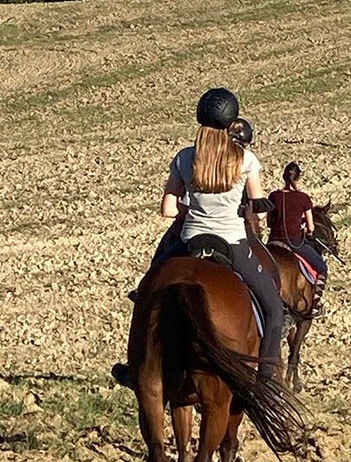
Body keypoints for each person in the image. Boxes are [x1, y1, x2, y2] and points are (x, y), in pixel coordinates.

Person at [130, 88, 283, 379]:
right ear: (232, 123)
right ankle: (266, 380)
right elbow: (259, 210)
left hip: (189, 241)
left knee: (146, 295)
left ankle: (135, 368)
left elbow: (168, 210)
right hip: (233, 243)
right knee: (274, 308)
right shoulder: (246, 159)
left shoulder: (184, 158)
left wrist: (193, 210)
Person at [267, 162, 328, 316]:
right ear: (298, 177)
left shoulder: (273, 196)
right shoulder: (303, 198)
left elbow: (269, 222)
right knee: (322, 267)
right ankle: (315, 304)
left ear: (283, 177)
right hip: (294, 242)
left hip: (273, 241)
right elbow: (311, 227)